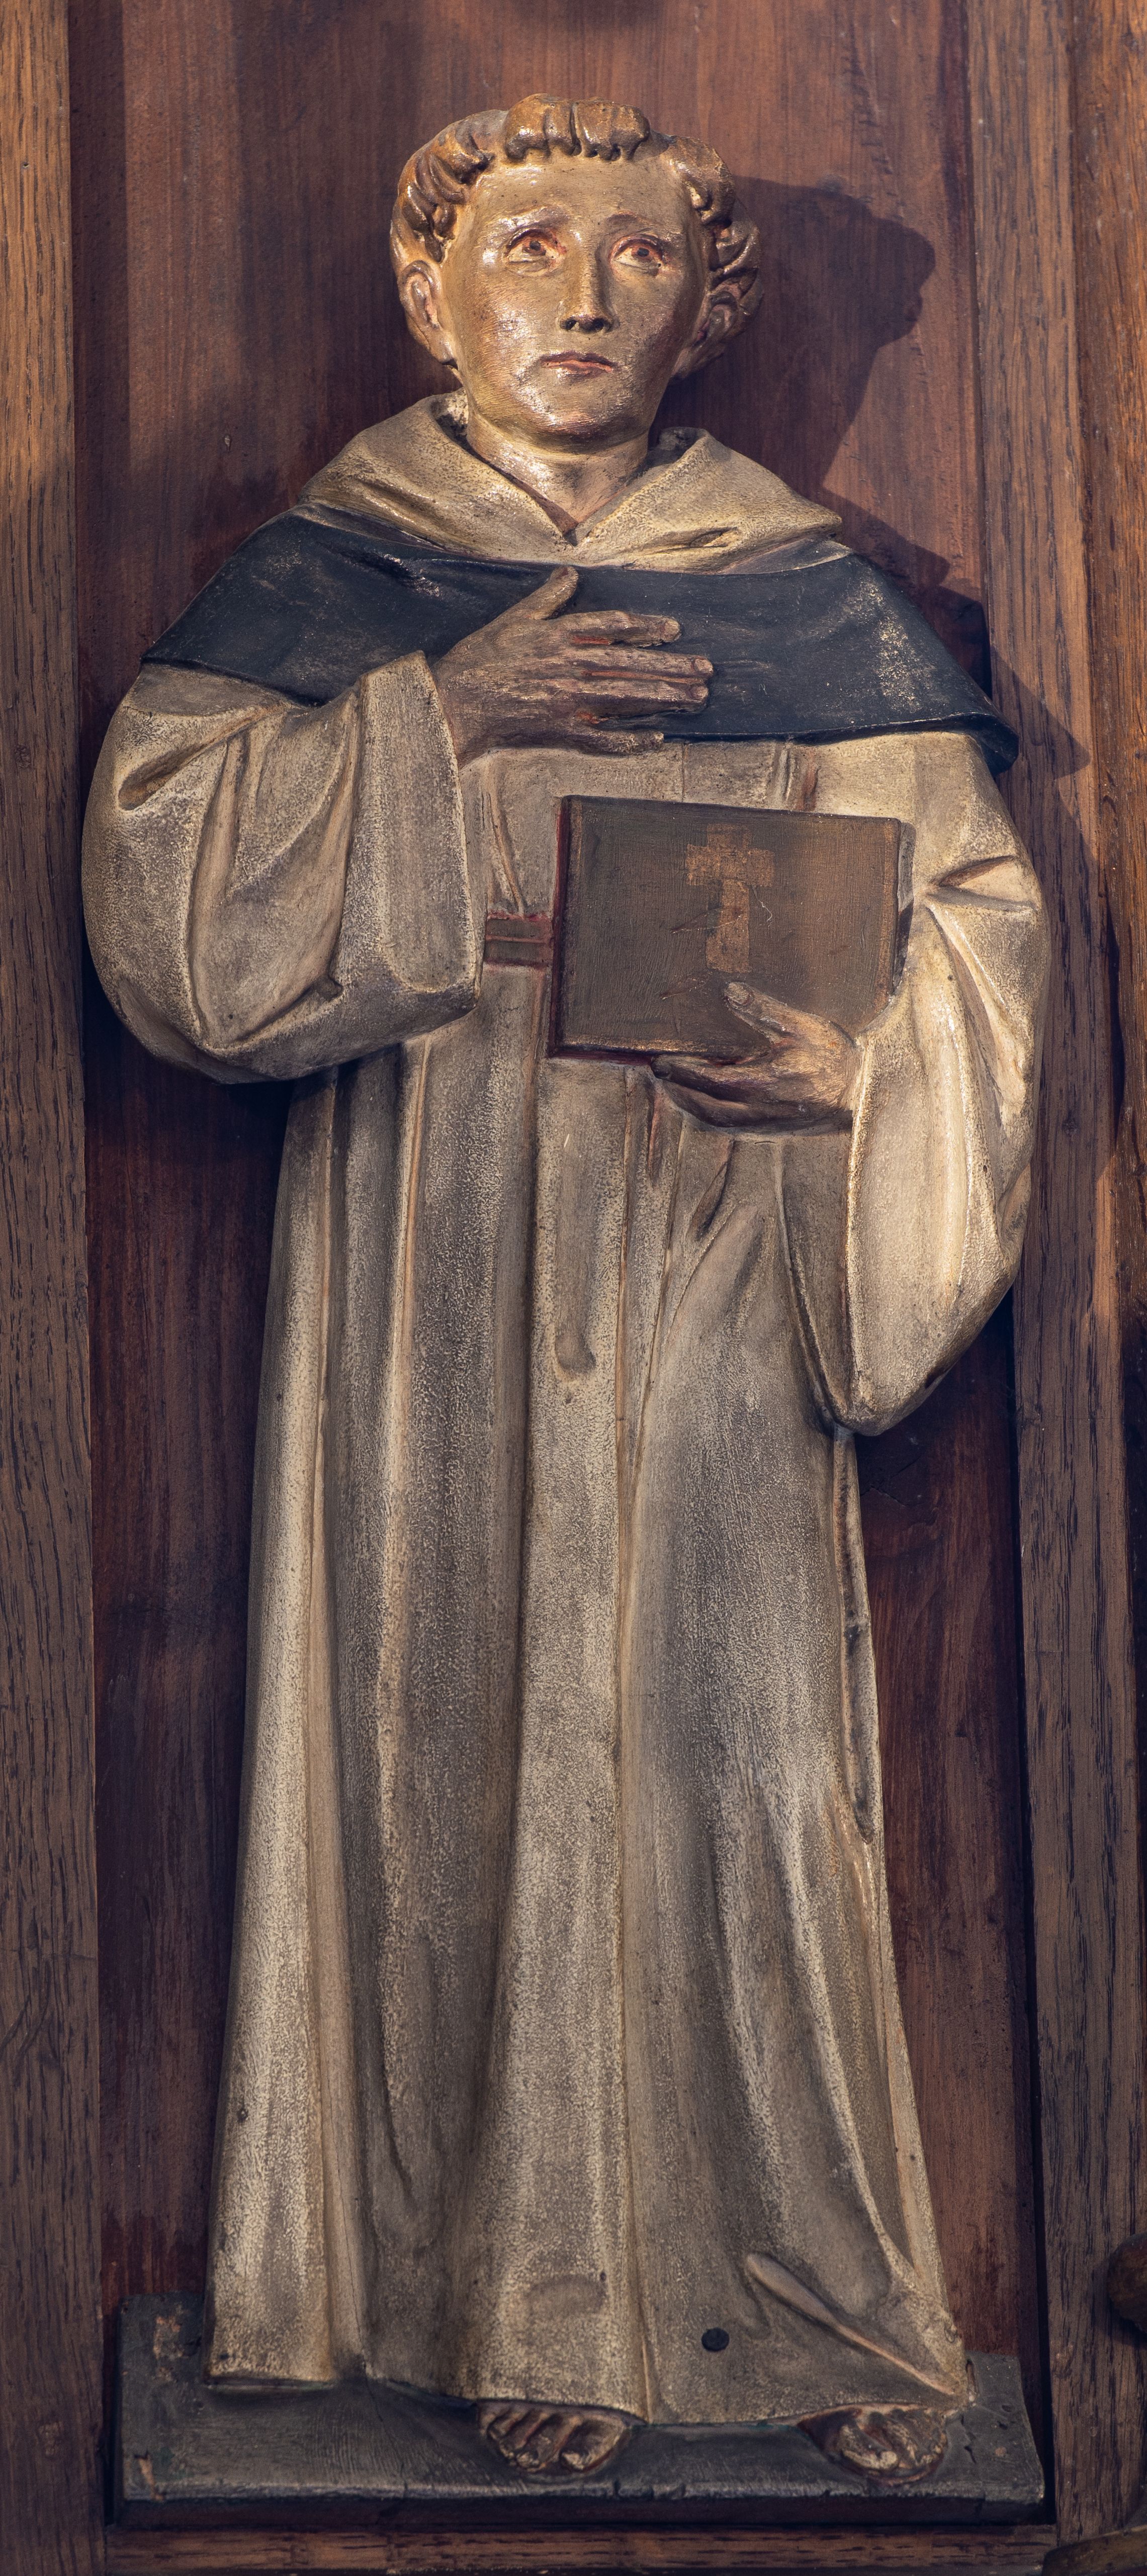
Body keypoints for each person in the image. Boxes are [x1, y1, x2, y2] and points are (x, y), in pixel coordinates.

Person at [83, 96, 1048, 2485]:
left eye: (635, 255)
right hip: (425, 1219)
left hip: (720, 1224)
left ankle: (780, 2286)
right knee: (437, 1722)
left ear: (705, 310)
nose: (582, 296)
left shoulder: (804, 590)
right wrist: (445, 716)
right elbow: (164, 903)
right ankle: (474, 2291)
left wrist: (859, 1071)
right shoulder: (338, 572)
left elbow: (977, 929)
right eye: (528, 244)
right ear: (431, 294)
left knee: (734, 1755)